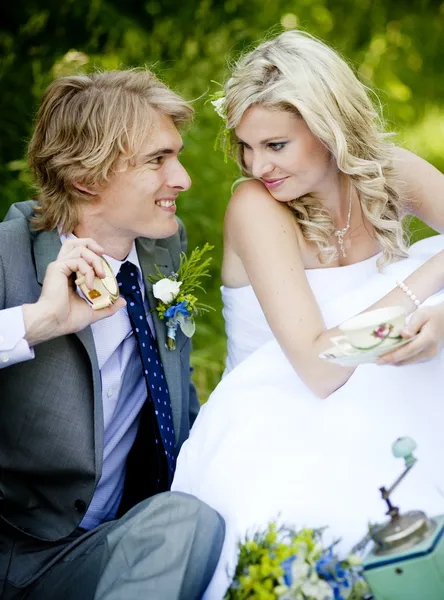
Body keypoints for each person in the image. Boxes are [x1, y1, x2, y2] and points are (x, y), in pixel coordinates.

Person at [171, 30, 444, 598]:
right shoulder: (256, 207)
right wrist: (434, 272)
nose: (256, 164)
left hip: (390, 382)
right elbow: (322, 368)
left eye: (276, 145)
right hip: (286, 409)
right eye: (246, 146)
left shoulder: (389, 170)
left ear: (328, 128)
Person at [0, 70, 225, 600]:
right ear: (86, 177)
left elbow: (177, 394)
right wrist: (41, 323)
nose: (183, 179)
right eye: (157, 160)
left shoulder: (160, 248)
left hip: (106, 545)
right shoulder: (9, 256)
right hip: (15, 547)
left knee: (193, 520)